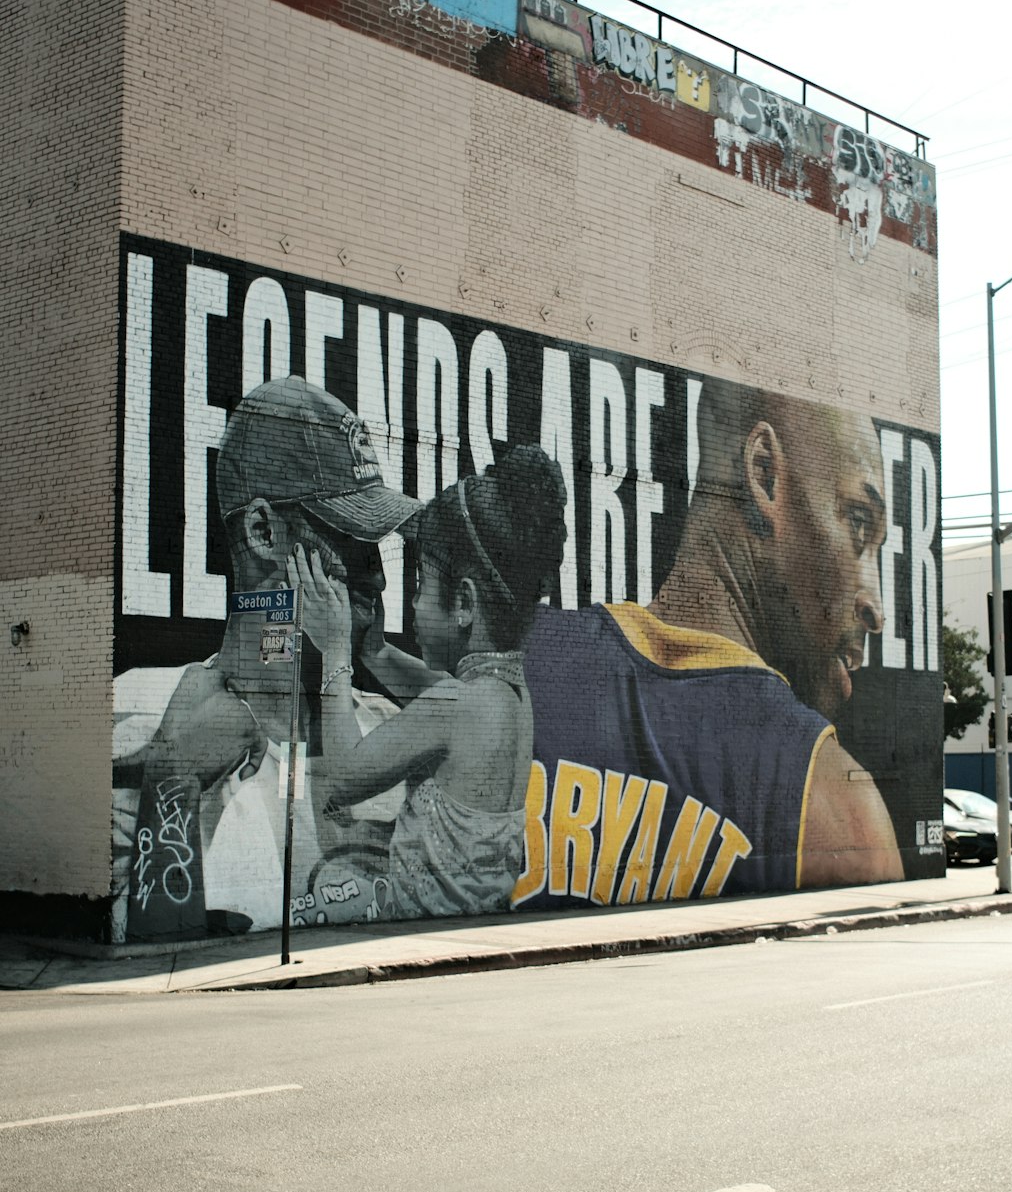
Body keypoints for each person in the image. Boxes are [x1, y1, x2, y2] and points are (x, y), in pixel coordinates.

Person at [517, 382, 903, 909]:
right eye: (858, 522)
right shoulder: (834, 803)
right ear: (764, 474)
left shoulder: (504, 662)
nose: (876, 609)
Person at [111, 375, 421, 940]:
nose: (376, 574)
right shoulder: (142, 719)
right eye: (348, 538)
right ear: (262, 531)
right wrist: (173, 778)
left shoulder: (393, 733)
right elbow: (138, 969)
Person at [291, 445, 567, 919]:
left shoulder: (455, 706)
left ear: (463, 603)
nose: (414, 606)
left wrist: (336, 648)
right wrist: (374, 651)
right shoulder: (508, 696)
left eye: (420, 585)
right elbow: (433, 695)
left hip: (417, 925)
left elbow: (347, 775)